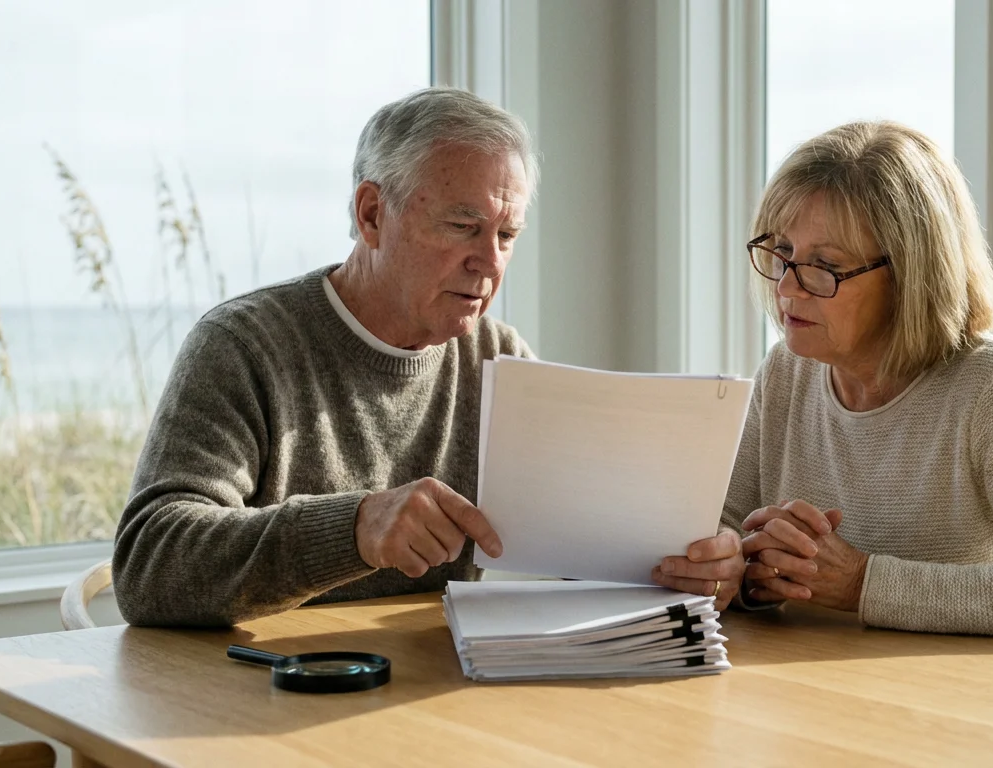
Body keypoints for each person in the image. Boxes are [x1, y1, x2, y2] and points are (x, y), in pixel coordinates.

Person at [114, 87, 743, 626]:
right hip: (257, 696)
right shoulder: (244, 346)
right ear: (371, 214)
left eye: (506, 234)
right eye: (461, 226)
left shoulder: (499, 360)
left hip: (423, 691)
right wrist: (356, 528)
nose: (490, 262)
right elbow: (149, 564)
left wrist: (685, 564)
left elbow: (582, 555)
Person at [722, 121, 993, 644]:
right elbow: (726, 527)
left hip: (956, 709)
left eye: (824, 266)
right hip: (810, 693)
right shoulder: (785, 370)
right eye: (781, 252)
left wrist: (861, 583)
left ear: (912, 276)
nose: (785, 287)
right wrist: (738, 570)